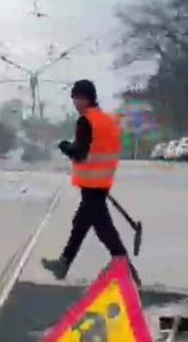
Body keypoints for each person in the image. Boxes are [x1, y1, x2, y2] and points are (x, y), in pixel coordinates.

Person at [41, 79, 128, 281]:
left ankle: (124, 267)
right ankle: (64, 263)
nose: (75, 102)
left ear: (88, 98)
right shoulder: (106, 119)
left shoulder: (86, 121)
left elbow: (80, 153)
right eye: (74, 98)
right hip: (103, 180)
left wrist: (65, 147)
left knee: (103, 227)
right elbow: (98, 147)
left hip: (91, 182)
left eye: (78, 98)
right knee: (81, 223)